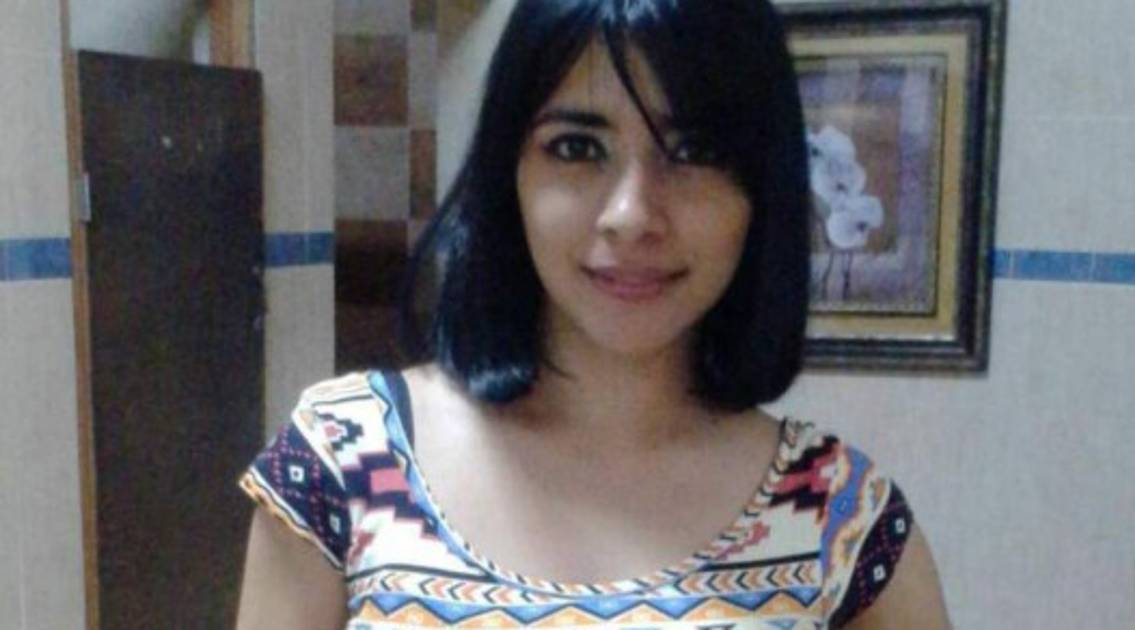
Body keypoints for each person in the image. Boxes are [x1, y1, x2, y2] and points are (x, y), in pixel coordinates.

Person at [235, 0, 951, 628]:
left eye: (694, 151)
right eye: (577, 148)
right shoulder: (343, 462)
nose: (631, 214)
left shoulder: (839, 519)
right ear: (509, 173)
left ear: (760, 191)